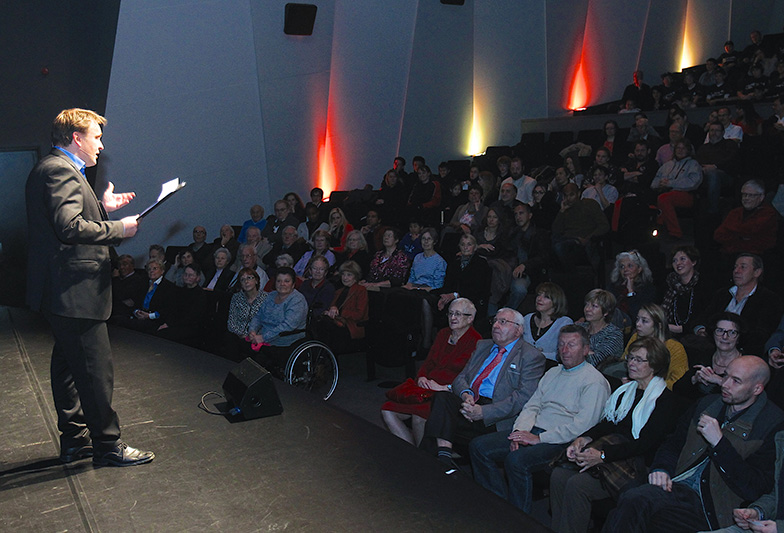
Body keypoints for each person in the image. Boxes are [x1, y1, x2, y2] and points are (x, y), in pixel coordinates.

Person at [25, 108, 153, 466]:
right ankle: (107, 444)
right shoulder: (59, 171)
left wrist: (101, 207)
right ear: (76, 138)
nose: (101, 144)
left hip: (61, 290)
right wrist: (119, 228)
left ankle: (76, 441)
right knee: (95, 370)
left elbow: (65, 220)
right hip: (74, 290)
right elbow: (68, 227)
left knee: (68, 367)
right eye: (96, 137)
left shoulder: (54, 168)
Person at [604, 356, 784, 532]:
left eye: (736, 381)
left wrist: (719, 444)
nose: (725, 384)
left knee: (634, 504)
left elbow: (756, 488)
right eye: (725, 376)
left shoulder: (771, 425)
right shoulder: (708, 404)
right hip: (678, 485)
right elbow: (673, 444)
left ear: (757, 389)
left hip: (714, 507)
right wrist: (662, 468)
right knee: (631, 499)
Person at [469, 324, 610, 513]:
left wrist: (539, 438)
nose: (565, 350)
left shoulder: (594, 382)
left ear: (586, 350)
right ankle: (498, 503)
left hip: (561, 441)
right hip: (533, 430)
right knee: (479, 447)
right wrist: (520, 432)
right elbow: (532, 406)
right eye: (561, 344)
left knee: (516, 461)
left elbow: (583, 426)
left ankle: (518, 517)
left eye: (571, 345)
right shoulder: (553, 373)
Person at [550, 337, 678, 533]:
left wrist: (602, 456)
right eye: (631, 358)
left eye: (639, 360)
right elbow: (608, 425)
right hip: (612, 454)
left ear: (654, 365)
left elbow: (645, 444)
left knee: (577, 485)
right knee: (559, 475)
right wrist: (583, 439)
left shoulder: (665, 401)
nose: (631, 363)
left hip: (635, 464)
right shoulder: (626, 391)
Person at [421, 308, 546, 469]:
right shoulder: (483, 346)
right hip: (470, 402)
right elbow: (461, 378)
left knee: (437, 423)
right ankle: (444, 458)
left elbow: (523, 398)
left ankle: (434, 462)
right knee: (442, 398)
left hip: (495, 415)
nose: (495, 325)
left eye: (503, 322)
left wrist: (483, 412)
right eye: (494, 321)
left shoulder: (530, 356)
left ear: (519, 330)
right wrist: (466, 394)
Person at [381, 298, 481, 446]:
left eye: (458, 314)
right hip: (425, 389)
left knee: (418, 416)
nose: (453, 318)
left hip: (445, 395)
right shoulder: (443, 334)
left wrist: (444, 387)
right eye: (450, 313)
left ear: (470, 318)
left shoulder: (476, 341)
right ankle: (411, 452)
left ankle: (423, 456)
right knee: (387, 411)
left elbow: (471, 377)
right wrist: (421, 376)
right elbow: (429, 362)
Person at [693, 254, 782, 358]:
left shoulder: (768, 299)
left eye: (743, 267)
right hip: (712, 348)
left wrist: (731, 339)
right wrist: (701, 330)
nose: (736, 271)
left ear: (757, 272)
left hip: (745, 354)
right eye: (735, 267)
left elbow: (762, 334)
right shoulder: (722, 294)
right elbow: (703, 318)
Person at [612, 303, 689, 389]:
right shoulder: (635, 337)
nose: (638, 324)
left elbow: (677, 382)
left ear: (659, 325)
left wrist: (647, 386)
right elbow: (624, 361)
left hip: (660, 392)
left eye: (644, 321)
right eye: (637, 319)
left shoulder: (675, 348)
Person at [247, 267, 308, 372]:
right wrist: (252, 331)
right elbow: (258, 316)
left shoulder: (297, 300)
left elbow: (288, 326)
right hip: (262, 337)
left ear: (293, 284)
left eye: (286, 281)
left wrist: (263, 338)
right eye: (279, 281)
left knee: (255, 363)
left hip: (284, 340)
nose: (282, 284)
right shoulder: (270, 296)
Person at [674, 312, 745, 400]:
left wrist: (719, 380)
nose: (725, 336)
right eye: (720, 331)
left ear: (738, 337)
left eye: (732, 332)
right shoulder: (703, 356)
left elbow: (746, 395)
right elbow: (677, 389)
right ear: (713, 333)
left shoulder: (746, 364)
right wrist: (694, 379)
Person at [310, 261, 368, 354]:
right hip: (336, 322)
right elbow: (331, 307)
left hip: (351, 325)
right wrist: (329, 311)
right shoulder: (339, 291)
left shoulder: (361, 290)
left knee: (324, 327)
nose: (345, 278)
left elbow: (359, 314)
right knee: (318, 322)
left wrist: (338, 312)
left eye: (349, 275)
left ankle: (322, 356)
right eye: (343, 274)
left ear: (355, 276)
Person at [650, 139, 703, 240]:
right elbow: (654, 182)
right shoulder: (667, 165)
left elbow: (693, 183)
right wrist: (660, 183)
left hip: (686, 194)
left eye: (683, 148)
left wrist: (671, 183)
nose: (680, 150)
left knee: (664, 199)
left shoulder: (693, 164)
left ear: (688, 150)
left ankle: (675, 232)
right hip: (665, 191)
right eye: (678, 148)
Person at [714, 179, 778, 256]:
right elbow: (718, 235)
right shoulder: (735, 212)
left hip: (756, 256)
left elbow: (753, 232)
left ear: (761, 197)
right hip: (730, 254)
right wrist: (743, 238)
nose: (746, 198)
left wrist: (733, 234)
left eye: (751, 195)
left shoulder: (768, 213)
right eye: (744, 194)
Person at [661, 246, 709, 338]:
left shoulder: (703, 286)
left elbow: (705, 315)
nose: (678, 263)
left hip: (694, 335)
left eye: (682, 259)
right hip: (669, 334)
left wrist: (681, 329)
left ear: (693, 262)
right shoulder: (669, 285)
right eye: (674, 260)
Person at [521, 282, 573, 363]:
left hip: (551, 366)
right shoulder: (527, 319)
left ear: (556, 302)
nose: (539, 299)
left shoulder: (564, 323)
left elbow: (564, 353)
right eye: (539, 295)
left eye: (546, 297)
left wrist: (538, 354)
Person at [226, 267, 268, 359]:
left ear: (256, 281)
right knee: (229, 339)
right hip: (239, 335)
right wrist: (243, 335)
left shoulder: (266, 298)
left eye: (249, 278)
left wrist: (255, 336)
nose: (246, 281)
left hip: (257, 337)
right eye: (242, 279)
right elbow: (231, 322)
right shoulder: (236, 298)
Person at [578, 289, 624, 369]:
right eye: (587, 304)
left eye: (594, 306)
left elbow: (595, 361)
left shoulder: (613, 334)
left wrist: (576, 350)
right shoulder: (579, 328)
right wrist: (588, 352)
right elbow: (561, 354)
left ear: (606, 312)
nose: (587, 309)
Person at [609, 250, 656, 324]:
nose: (625, 269)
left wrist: (630, 292)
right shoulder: (614, 287)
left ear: (639, 269)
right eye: (622, 267)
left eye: (630, 266)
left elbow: (638, 315)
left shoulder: (647, 289)